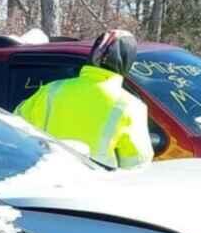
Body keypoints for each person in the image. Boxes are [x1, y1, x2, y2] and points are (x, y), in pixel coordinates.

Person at [15, 30, 155, 168]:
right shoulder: (131, 106)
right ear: (127, 62)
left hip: (43, 178)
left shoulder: (51, 89)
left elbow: (13, 126)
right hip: (93, 185)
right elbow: (137, 164)